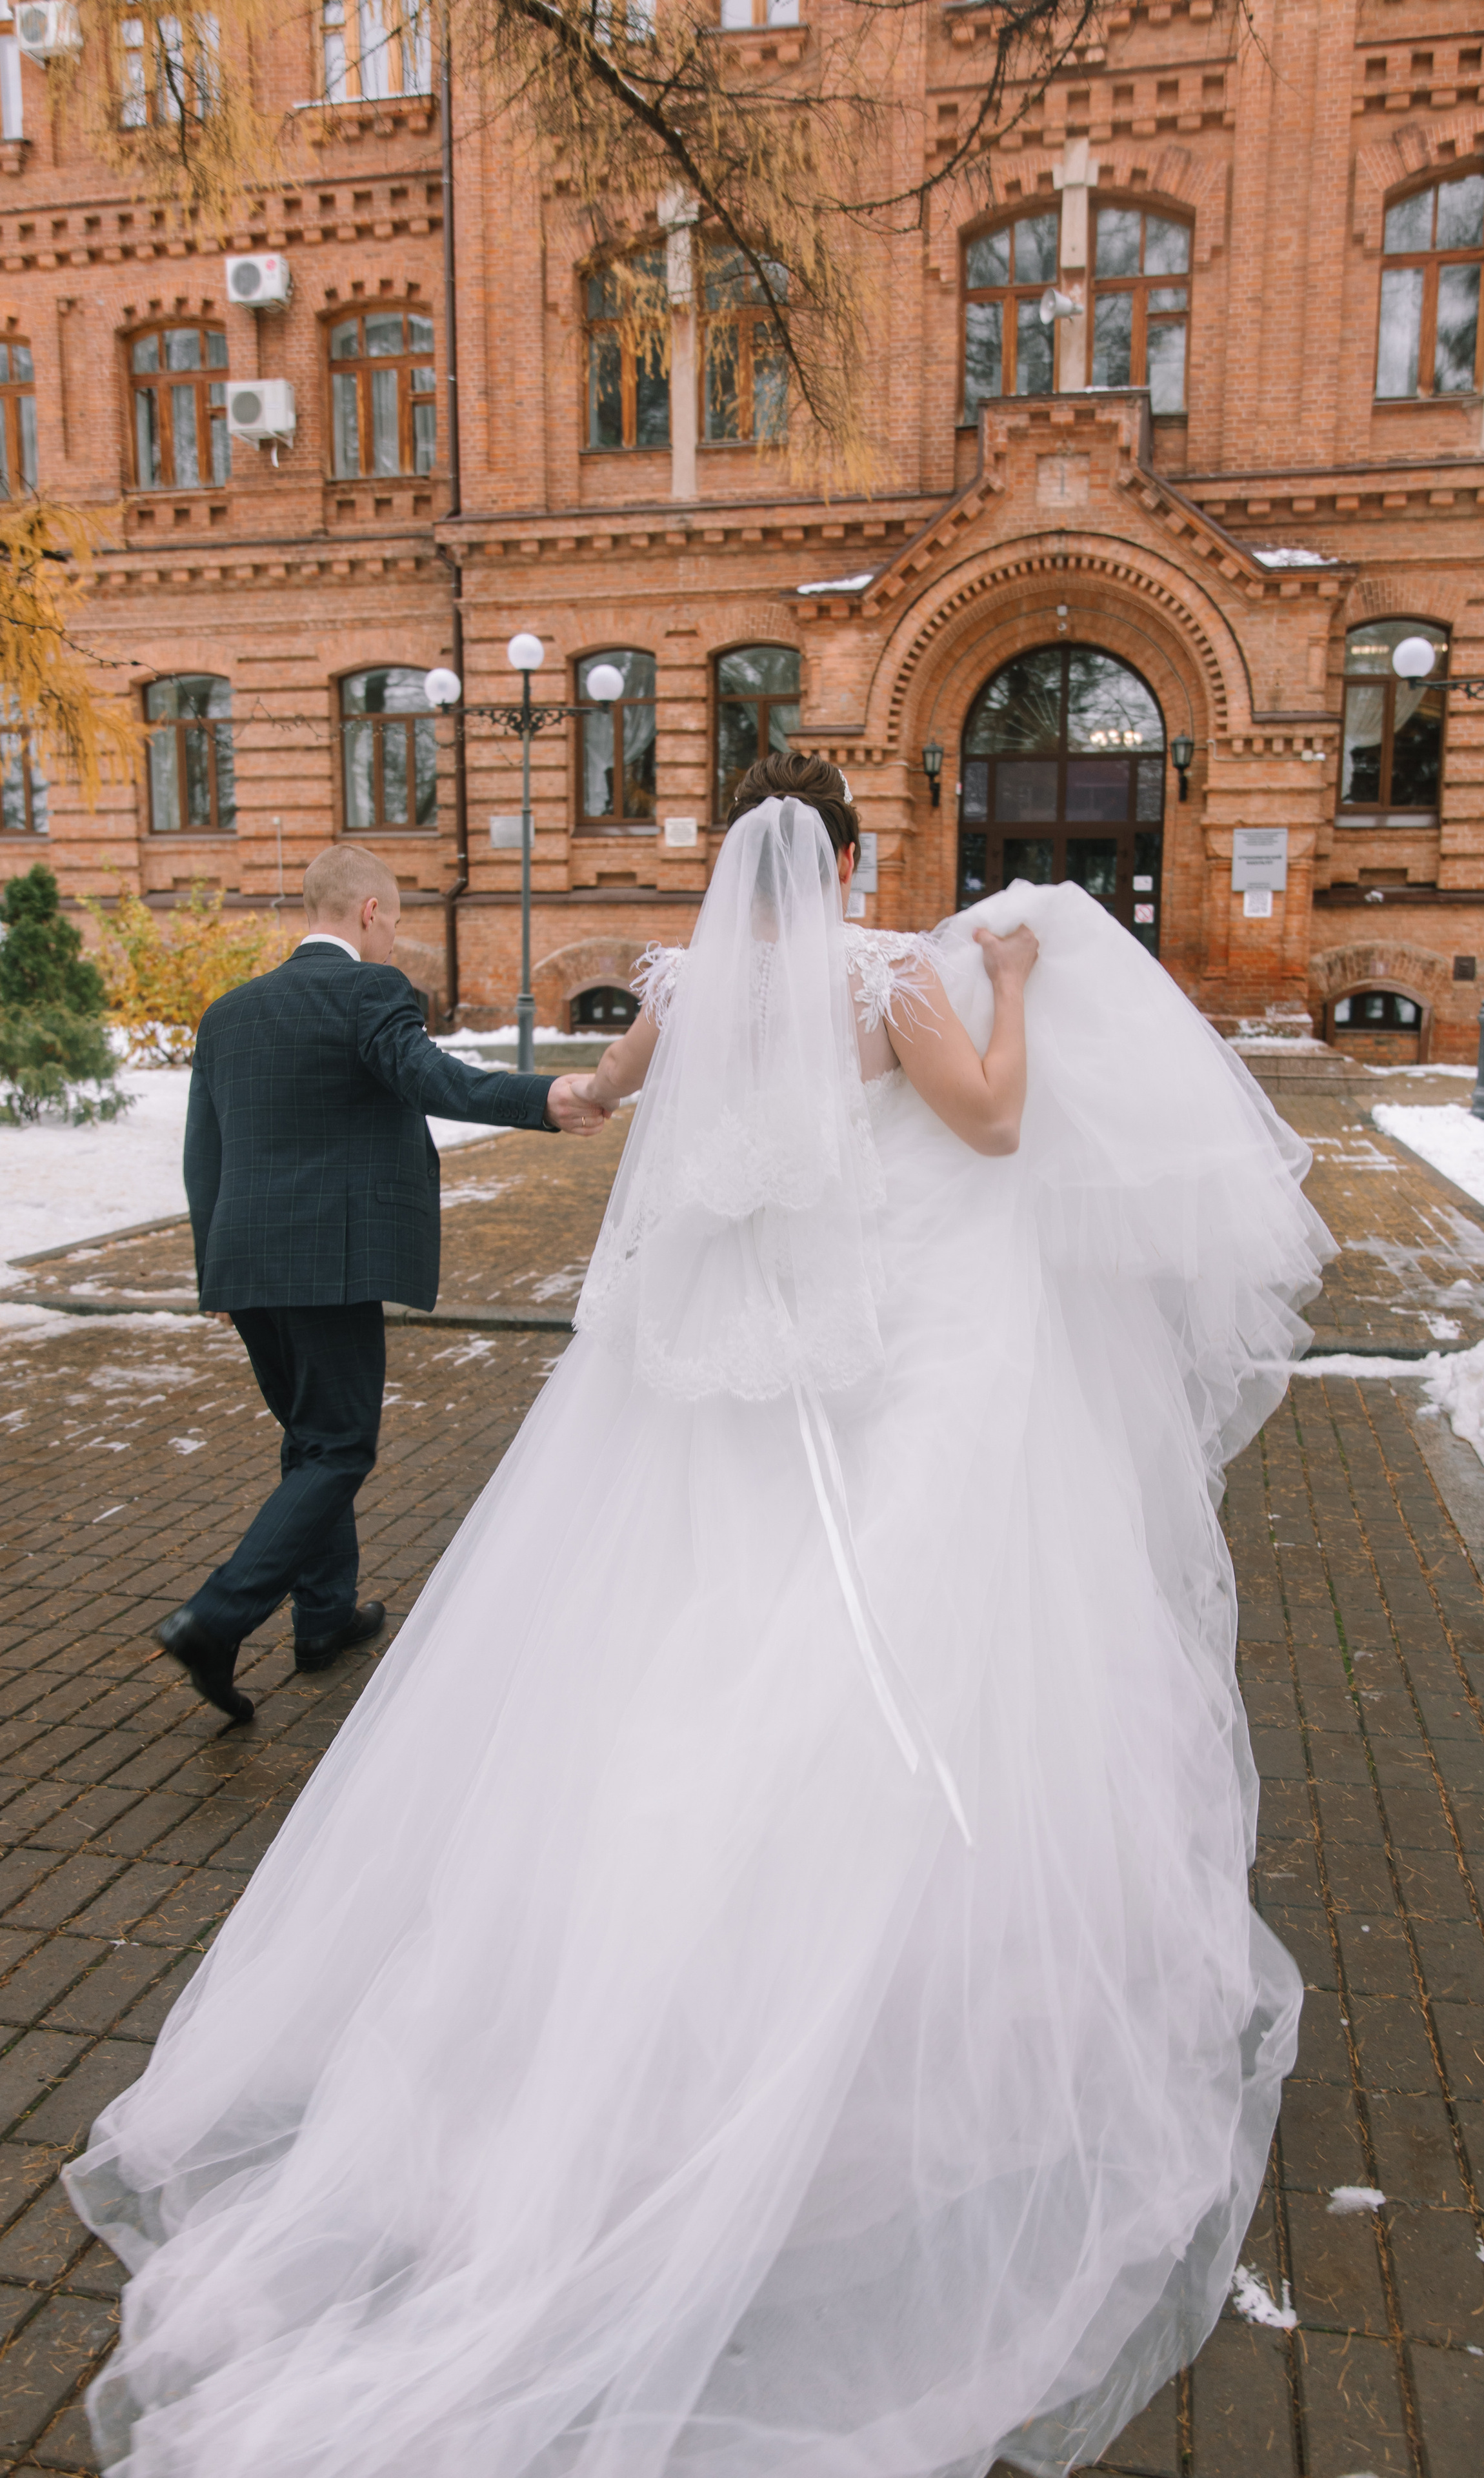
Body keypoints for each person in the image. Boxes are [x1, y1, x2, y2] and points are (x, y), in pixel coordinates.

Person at [67, 756, 1333, 2478]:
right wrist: (1018, 984)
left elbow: (608, 1091)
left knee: (663, 1646)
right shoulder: (893, 985)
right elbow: (997, 1126)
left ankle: (591, 2007)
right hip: (867, 1359)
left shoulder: (681, 988)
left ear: (740, 860)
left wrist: (591, 1100)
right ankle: (836, 1991)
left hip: (703, 1385)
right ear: (849, 857)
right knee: (854, 1644)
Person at [155, 842, 608, 1726]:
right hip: (330, 1263)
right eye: (396, 919)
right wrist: (543, 1098)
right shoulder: (368, 990)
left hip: (245, 1264)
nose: (396, 936)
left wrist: (213, 1264)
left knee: (310, 1440)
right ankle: (217, 1617)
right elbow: (428, 1077)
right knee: (338, 1447)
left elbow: (202, 1151)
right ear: (368, 912)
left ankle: (325, 1619)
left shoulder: (229, 1013)